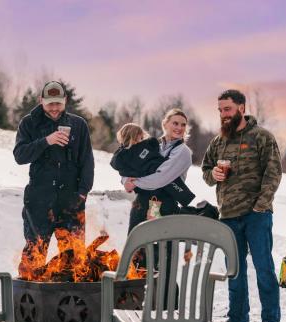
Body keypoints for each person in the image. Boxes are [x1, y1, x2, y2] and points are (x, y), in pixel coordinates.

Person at [201, 89, 282, 322]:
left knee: (263, 267)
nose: (223, 115)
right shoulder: (218, 141)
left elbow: (273, 173)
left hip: (256, 215)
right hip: (228, 216)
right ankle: (237, 319)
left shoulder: (261, 137)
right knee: (234, 270)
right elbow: (206, 171)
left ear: (241, 108)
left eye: (227, 109)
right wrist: (212, 175)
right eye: (220, 111)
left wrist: (260, 206)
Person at [13, 80, 94, 279]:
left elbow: (87, 161)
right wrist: (46, 141)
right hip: (39, 200)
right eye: (50, 104)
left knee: (74, 258)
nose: (55, 108)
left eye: (58, 103)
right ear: (41, 100)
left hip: (71, 201)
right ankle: (30, 300)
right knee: (35, 253)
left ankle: (72, 302)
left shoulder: (78, 124)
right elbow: (20, 156)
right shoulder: (29, 123)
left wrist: (82, 193)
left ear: (65, 100)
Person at [110, 123, 196, 212]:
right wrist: (133, 178)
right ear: (133, 138)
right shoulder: (123, 155)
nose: (142, 140)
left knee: (168, 191)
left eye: (142, 138)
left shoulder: (143, 146)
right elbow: (123, 169)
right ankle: (154, 214)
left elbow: (153, 143)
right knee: (155, 197)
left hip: (157, 174)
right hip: (148, 184)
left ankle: (185, 205)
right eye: (140, 138)